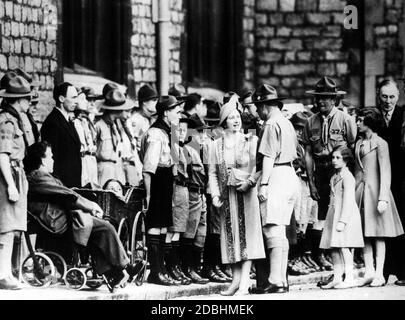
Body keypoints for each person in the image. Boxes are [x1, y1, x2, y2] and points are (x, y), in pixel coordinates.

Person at [24, 141, 139, 290]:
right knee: (105, 227)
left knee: (96, 230)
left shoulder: (43, 176)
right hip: (56, 220)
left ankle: (112, 273)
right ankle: (126, 267)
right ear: (42, 159)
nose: (53, 159)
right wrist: (91, 206)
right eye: (50, 156)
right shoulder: (38, 176)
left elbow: (66, 194)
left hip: (60, 216)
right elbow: (67, 194)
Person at [209, 95, 265, 296]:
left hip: (246, 195)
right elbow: (213, 173)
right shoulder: (215, 145)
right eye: (231, 117)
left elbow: (257, 167)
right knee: (231, 238)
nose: (236, 120)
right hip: (227, 197)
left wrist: (250, 183)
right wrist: (215, 195)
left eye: (237, 116)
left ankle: (245, 281)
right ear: (224, 121)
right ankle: (235, 280)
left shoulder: (251, 140)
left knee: (247, 237)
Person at [302, 77, 357, 277]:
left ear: (334, 99)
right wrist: (311, 183)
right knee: (325, 221)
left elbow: (352, 147)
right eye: (318, 98)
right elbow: (308, 154)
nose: (321, 102)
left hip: (339, 173)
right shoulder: (311, 121)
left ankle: (347, 271)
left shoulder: (345, 119)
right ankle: (334, 269)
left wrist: (348, 177)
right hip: (321, 174)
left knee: (343, 220)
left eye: (326, 98)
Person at [252, 84, 299, 294]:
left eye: (257, 106)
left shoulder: (271, 124)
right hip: (290, 175)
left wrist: (263, 184)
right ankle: (281, 280)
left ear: (264, 106)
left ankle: (274, 278)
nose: (257, 111)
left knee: (272, 228)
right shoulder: (287, 123)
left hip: (277, 175)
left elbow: (269, 157)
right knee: (281, 229)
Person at [354, 108, 404, 287]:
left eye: (360, 120)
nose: (357, 122)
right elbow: (357, 171)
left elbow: (385, 171)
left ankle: (379, 274)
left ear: (369, 122)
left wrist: (383, 197)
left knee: (379, 235)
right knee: (364, 234)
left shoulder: (381, 143)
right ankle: (369, 271)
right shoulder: (358, 143)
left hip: (376, 194)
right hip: (361, 193)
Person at [140, 95, 183, 286]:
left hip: (167, 179)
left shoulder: (171, 131)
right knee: (155, 225)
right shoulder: (156, 133)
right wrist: (149, 195)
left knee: (165, 226)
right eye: (177, 111)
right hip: (156, 179)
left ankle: (163, 269)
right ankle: (155, 271)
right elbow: (148, 167)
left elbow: (175, 162)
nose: (179, 115)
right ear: (166, 112)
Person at [0, 76, 34, 290]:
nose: (29, 103)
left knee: (12, 227)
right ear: (18, 100)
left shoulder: (15, 119)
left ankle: (6, 272)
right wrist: (11, 185)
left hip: (16, 174)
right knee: (6, 227)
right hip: (8, 176)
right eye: (27, 99)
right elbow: (2, 155)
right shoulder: (7, 121)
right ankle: (3, 274)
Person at [319, 146, 364, 289]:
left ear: (346, 160)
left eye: (338, 158)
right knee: (334, 248)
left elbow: (349, 201)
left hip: (345, 216)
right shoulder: (335, 177)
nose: (334, 160)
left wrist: (343, 221)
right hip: (334, 214)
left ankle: (349, 277)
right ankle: (337, 277)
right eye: (333, 157)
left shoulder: (348, 177)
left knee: (344, 247)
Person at [377, 80, 405, 286]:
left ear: (398, 96)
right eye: (384, 97)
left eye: (392, 97)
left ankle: (403, 272)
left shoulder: (403, 115)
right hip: (380, 177)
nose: (388, 101)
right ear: (379, 95)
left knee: (402, 222)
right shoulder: (373, 116)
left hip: (402, 177)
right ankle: (384, 272)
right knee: (382, 224)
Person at [164, 115, 193, 286]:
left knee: (178, 230)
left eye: (184, 130)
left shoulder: (184, 149)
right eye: (178, 130)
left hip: (183, 188)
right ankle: (170, 267)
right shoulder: (173, 148)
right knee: (172, 229)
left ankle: (174, 267)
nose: (181, 133)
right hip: (175, 187)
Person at [41, 82, 82, 188]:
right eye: (73, 97)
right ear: (61, 99)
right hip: (62, 184)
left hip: (73, 182)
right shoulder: (53, 122)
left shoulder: (67, 120)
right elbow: (52, 158)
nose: (76, 102)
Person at [95, 89, 133, 187]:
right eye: (125, 110)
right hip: (104, 167)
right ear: (118, 109)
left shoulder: (115, 126)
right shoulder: (98, 125)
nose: (128, 115)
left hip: (117, 166)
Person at [73, 90, 99, 187]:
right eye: (85, 99)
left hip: (91, 158)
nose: (89, 103)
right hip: (83, 158)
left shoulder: (87, 121)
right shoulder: (76, 122)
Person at [128, 84, 158, 152]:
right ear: (144, 102)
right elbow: (132, 147)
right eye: (154, 100)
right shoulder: (135, 120)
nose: (156, 102)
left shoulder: (152, 118)